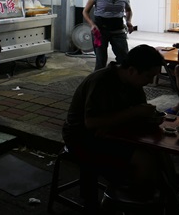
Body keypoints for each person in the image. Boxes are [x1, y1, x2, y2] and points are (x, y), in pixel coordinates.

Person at [62, 44, 164, 198]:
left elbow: (136, 113)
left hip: (110, 133)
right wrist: (133, 112)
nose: (150, 81)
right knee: (144, 160)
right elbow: (91, 123)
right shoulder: (101, 81)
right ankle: (131, 201)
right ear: (131, 70)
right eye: (148, 76)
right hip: (81, 137)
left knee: (157, 152)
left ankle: (144, 196)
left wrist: (142, 116)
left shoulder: (133, 82)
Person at [82, 0, 134, 71]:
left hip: (118, 29)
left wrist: (128, 21)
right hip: (100, 30)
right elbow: (85, 11)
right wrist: (92, 24)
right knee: (101, 60)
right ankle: (99, 79)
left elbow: (128, 10)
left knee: (124, 57)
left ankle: (121, 78)